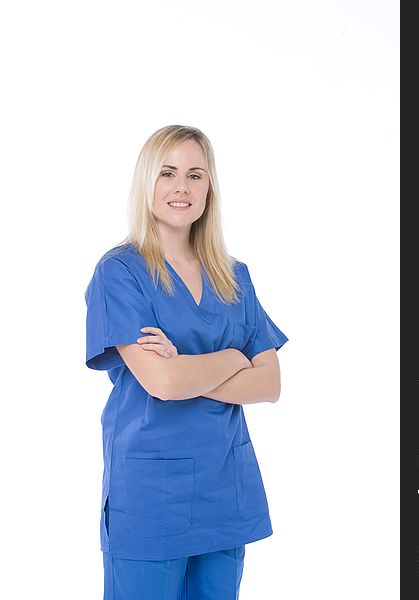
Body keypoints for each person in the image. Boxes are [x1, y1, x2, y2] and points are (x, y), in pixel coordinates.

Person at [84, 124, 289, 599]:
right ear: (147, 184)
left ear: (209, 187)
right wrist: (236, 358)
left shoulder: (234, 276)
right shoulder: (119, 273)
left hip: (225, 489)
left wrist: (190, 367)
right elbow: (163, 383)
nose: (182, 187)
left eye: (196, 175)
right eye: (168, 173)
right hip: (150, 496)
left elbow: (270, 384)